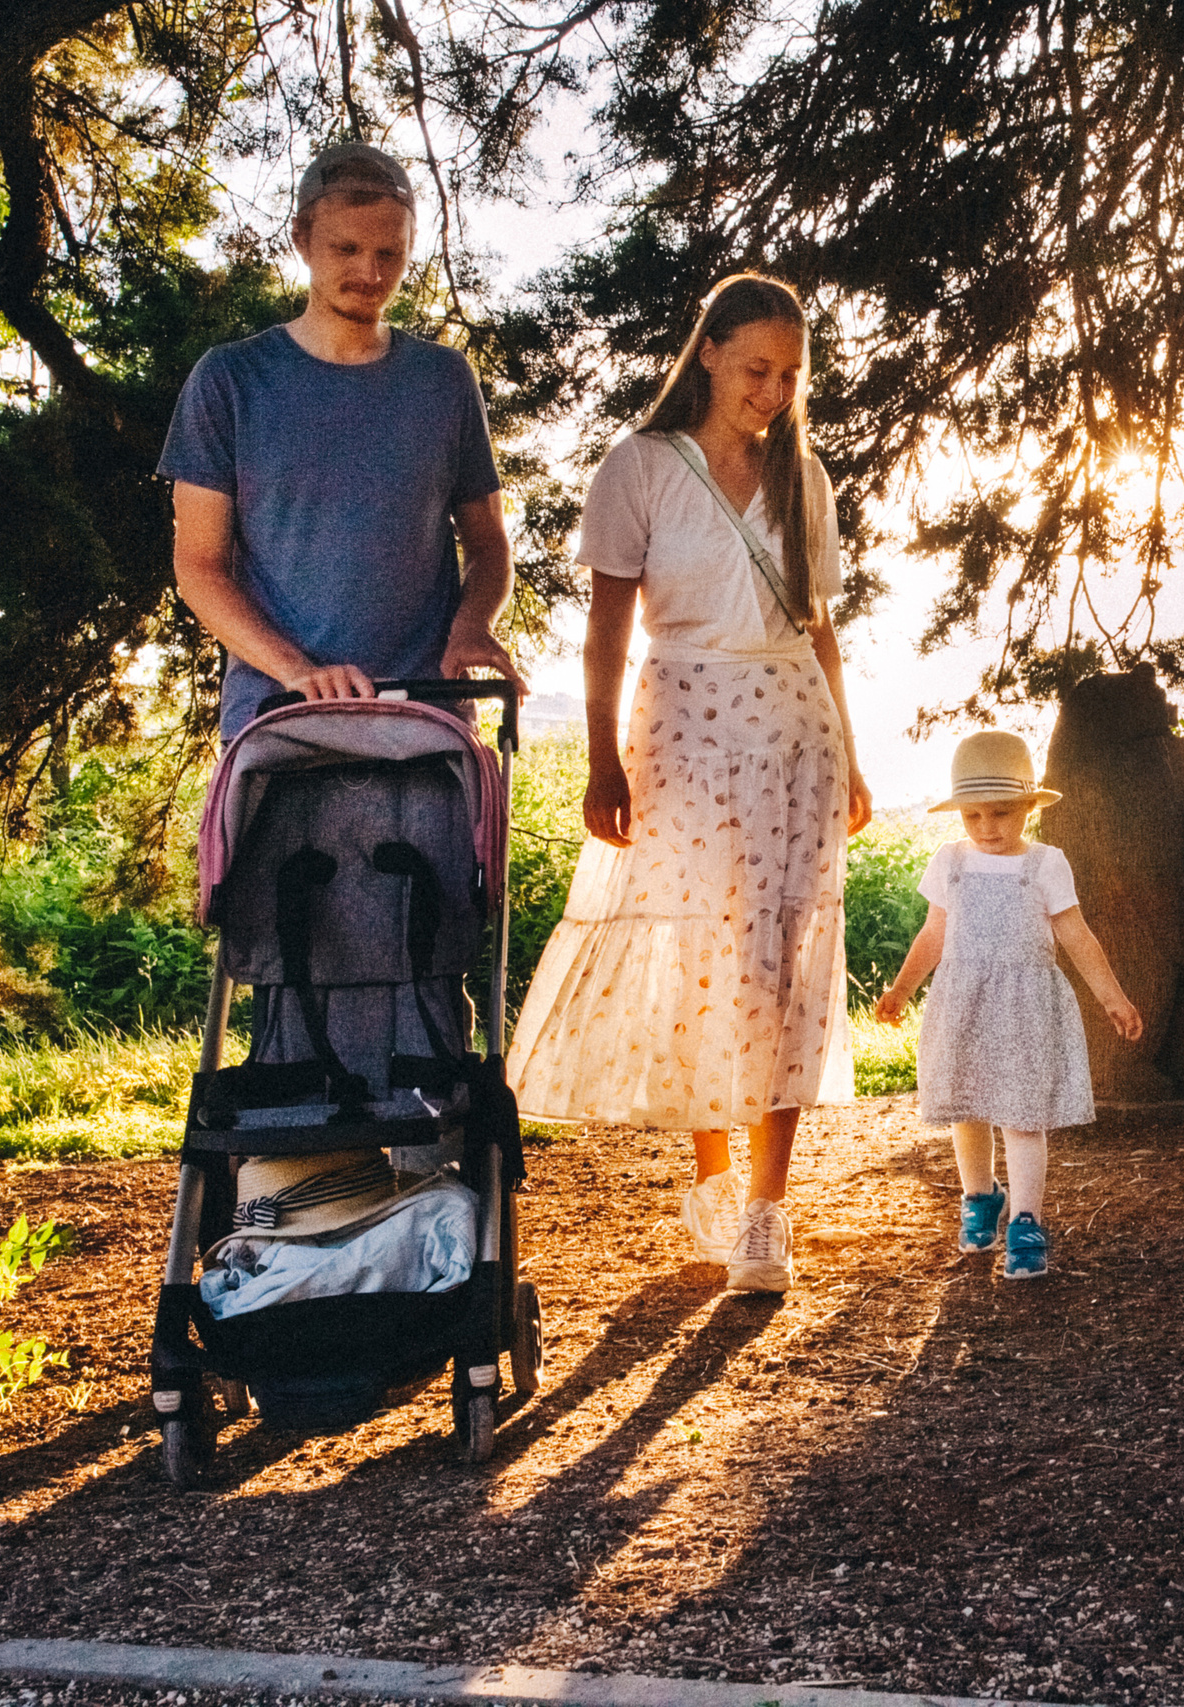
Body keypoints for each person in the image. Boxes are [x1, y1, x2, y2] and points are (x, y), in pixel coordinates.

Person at [504, 274, 873, 1296]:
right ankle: (712, 1177)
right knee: (703, 953)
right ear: (706, 352)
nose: (773, 390)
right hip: (684, 721)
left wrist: (853, 752)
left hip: (794, 726)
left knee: (786, 962)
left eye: (791, 375)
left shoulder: (805, 475)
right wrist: (599, 758)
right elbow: (607, 627)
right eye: (757, 368)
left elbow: (820, 625)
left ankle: (767, 1208)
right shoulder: (640, 467)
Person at [159, 142, 525, 738]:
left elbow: (488, 546)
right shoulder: (229, 380)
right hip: (277, 723)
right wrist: (298, 671)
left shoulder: (444, 380)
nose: (371, 273)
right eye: (347, 249)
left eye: (391, 253)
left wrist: (471, 625)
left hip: (425, 719)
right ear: (302, 238)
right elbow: (199, 568)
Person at [872, 730, 1142, 1280]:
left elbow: (1076, 935)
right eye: (972, 816)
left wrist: (1112, 997)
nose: (986, 827)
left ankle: (1026, 1220)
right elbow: (933, 933)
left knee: (1022, 1115)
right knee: (966, 1108)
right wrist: (901, 989)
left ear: (1025, 806)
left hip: (1024, 1009)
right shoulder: (949, 862)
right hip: (963, 1003)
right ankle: (979, 1197)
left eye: (999, 813)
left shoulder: (1045, 864)